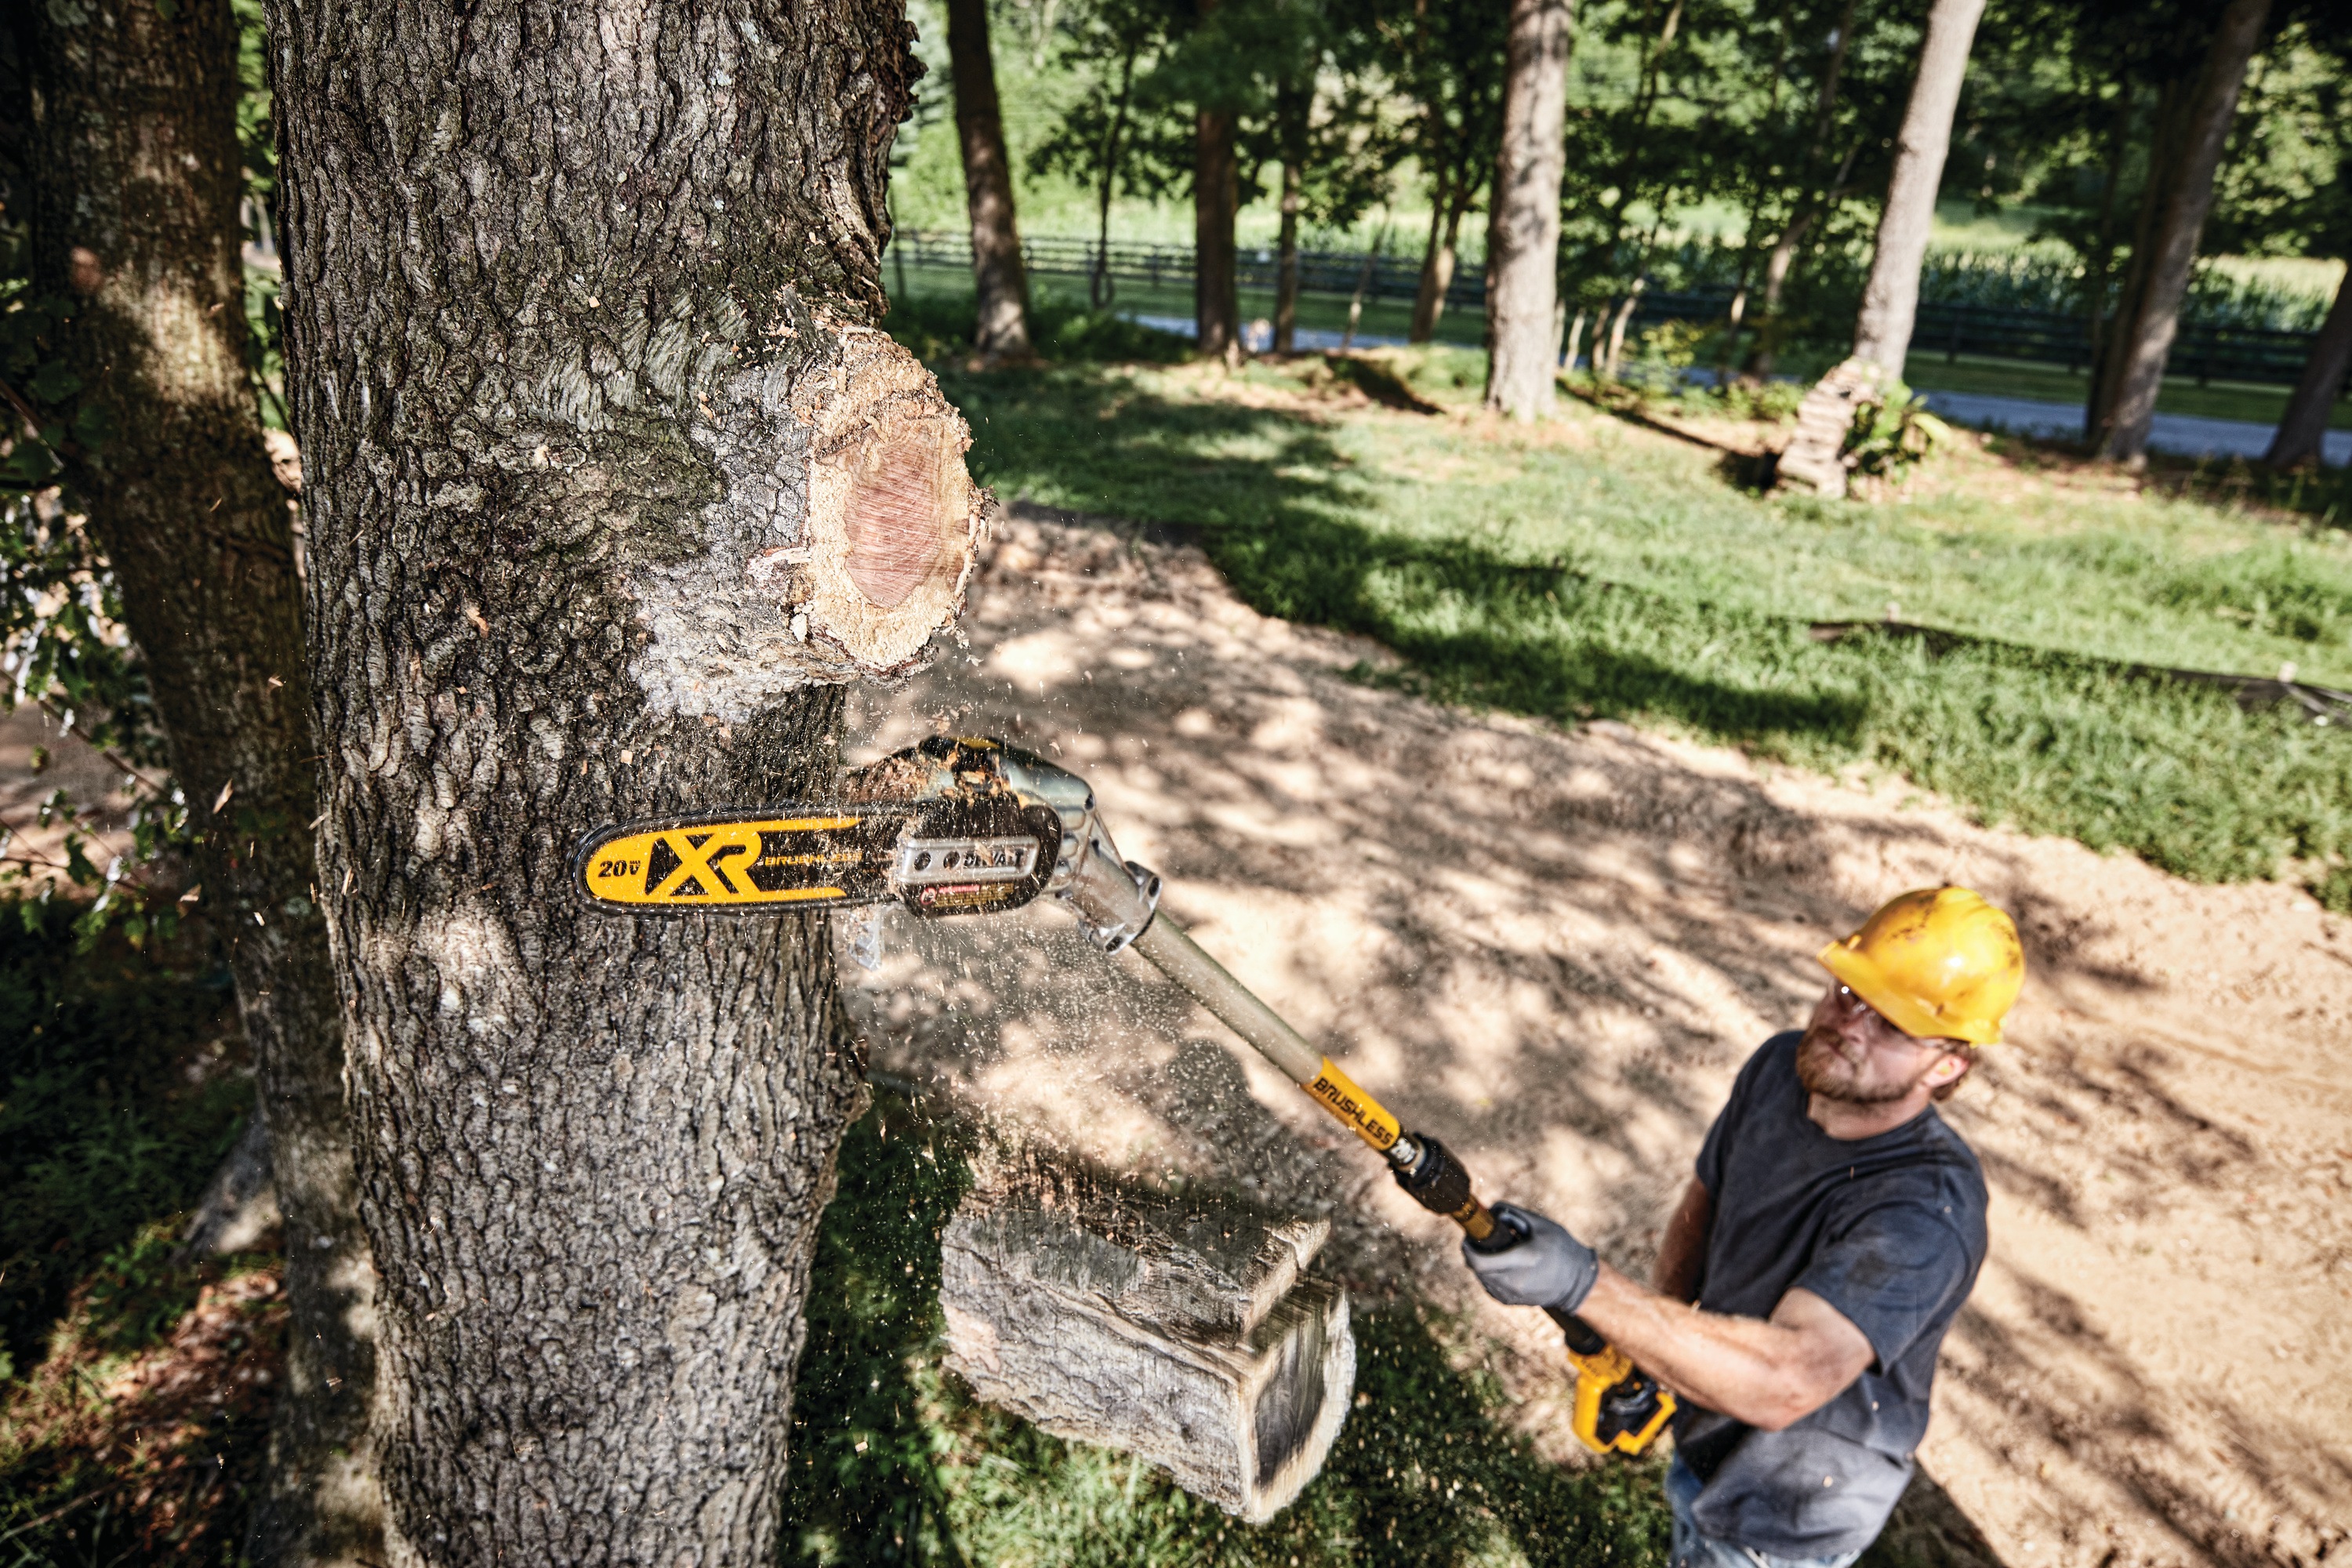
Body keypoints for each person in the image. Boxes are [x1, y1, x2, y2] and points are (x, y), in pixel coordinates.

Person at [1463, 887, 2024, 1568]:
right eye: (1848, 993)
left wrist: (1585, 1286)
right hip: (1711, 1433)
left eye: (1892, 1025)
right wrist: (1657, 1344)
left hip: (1788, 1511)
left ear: (1948, 1064)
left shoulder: (1924, 1214)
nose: (1850, 1024)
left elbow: (1786, 1380)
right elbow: (1706, 1200)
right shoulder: (1779, 1070)